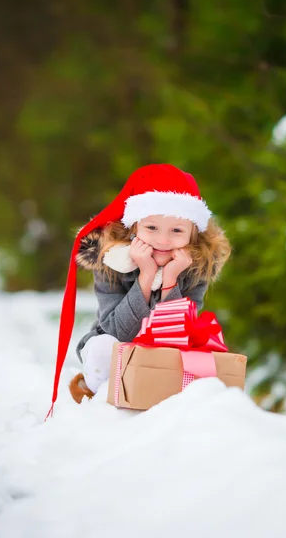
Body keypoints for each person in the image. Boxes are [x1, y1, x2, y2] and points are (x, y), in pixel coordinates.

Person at [47, 163, 231, 413]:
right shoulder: (111, 262)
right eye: (151, 228)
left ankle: (166, 404)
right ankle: (99, 397)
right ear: (134, 227)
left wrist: (170, 282)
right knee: (103, 348)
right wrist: (145, 277)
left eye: (176, 230)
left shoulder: (194, 268)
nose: (163, 240)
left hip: (163, 354)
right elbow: (115, 332)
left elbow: (176, 338)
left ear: (193, 235)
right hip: (115, 346)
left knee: (201, 362)